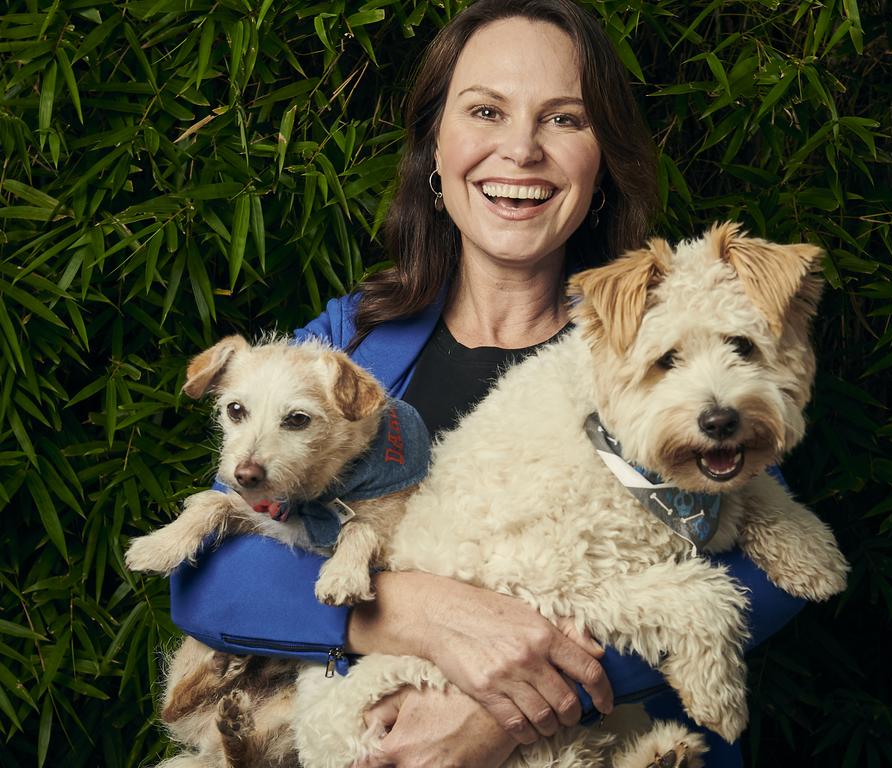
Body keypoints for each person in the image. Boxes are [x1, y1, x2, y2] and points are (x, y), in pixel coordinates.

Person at [170, 1, 804, 765]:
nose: (520, 149)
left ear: (602, 160)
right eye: (485, 111)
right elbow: (210, 582)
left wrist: (500, 710)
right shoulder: (345, 345)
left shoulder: (666, 334)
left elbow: (766, 574)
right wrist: (420, 614)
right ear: (436, 147)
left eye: (564, 119)